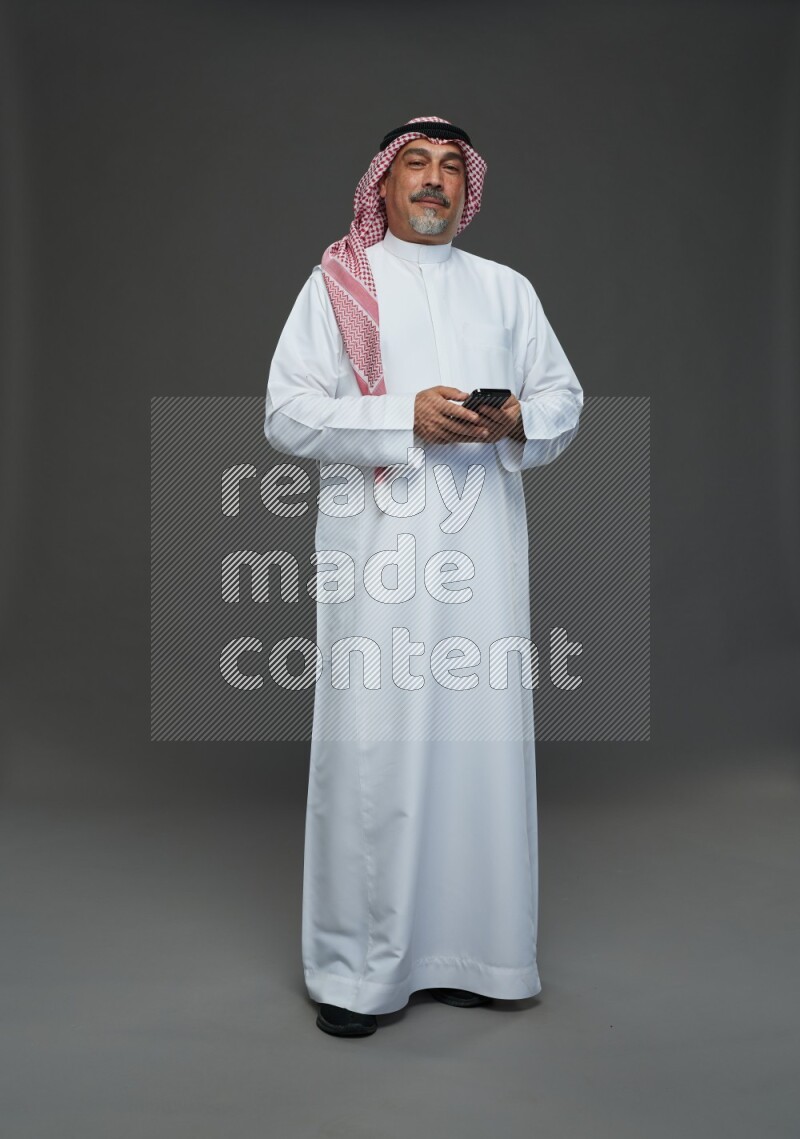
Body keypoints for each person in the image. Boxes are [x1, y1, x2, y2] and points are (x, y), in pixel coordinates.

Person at [264, 115, 584, 1037]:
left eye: (451, 167)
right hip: (375, 560)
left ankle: (476, 956)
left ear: (467, 187)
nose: (435, 181)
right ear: (386, 183)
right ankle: (358, 971)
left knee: (478, 746)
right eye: (417, 165)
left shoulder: (506, 290)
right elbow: (288, 414)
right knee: (378, 751)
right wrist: (405, 419)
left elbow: (564, 397)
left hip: (480, 557)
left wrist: (517, 416)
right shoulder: (338, 287)